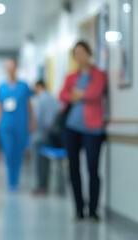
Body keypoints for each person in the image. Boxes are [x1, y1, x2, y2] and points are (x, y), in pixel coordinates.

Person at [60, 41, 107, 221]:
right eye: (76, 54)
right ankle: (79, 209)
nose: (79, 57)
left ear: (89, 54)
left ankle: (93, 209)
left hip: (93, 129)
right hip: (71, 127)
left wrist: (78, 94)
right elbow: (62, 95)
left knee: (92, 168)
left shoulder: (98, 75)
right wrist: (78, 94)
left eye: (82, 53)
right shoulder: (71, 77)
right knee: (73, 169)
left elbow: (93, 94)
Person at [0, 58, 35, 191]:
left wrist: (32, 121)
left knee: (18, 152)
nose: (10, 70)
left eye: (12, 67)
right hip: (5, 124)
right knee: (9, 151)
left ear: (16, 68)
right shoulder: (1, 87)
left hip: (21, 123)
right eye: (8, 67)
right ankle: (10, 180)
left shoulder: (23, 86)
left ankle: (15, 181)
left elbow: (29, 105)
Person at [31, 80, 61, 195]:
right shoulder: (52, 98)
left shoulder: (41, 99)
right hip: (55, 135)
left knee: (39, 154)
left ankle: (41, 186)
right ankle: (43, 185)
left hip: (46, 135)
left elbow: (40, 120)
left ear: (39, 86)